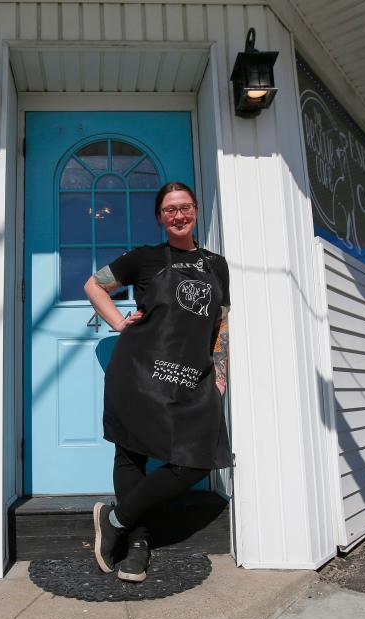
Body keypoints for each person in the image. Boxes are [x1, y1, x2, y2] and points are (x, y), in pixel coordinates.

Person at [83, 181, 231, 583]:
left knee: (197, 461)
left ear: (196, 210)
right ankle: (137, 544)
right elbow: (94, 284)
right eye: (170, 210)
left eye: (184, 207)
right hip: (138, 372)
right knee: (131, 454)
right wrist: (117, 322)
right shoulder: (145, 258)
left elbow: (220, 322)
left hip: (191, 376)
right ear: (160, 218)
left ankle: (115, 519)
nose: (178, 215)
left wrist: (219, 374)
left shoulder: (217, 264)